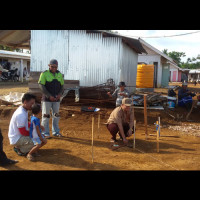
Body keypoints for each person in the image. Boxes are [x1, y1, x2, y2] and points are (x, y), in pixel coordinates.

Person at [38, 59, 64, 138]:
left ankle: (56, 132)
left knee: (56, 116)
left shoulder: (59, 74)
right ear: (49, 65)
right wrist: (49, 96)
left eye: (55, 67)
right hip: (47, 100)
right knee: (46, 116)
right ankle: (45, 133)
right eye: (52, 67)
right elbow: (41, 86)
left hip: (56, 99)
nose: (54, 68)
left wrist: (60, 94)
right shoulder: (44, 74)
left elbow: (62, 86)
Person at [8, 93, 36, 157]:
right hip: (17, 138)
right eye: (32, 103)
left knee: (37, 134)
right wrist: (35, 134)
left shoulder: (24, 110)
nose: (33, 105)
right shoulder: (21, 114)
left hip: (17, 136)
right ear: (25, 102)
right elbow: (23, 132)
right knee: (37, 140)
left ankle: (21, 146)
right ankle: (21, 150)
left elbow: (25, 124)